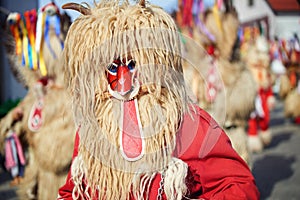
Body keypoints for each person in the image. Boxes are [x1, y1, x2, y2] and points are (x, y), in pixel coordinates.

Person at [57, 0, 260, 199]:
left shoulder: (186, 122)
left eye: (132, 64)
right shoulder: (91, 128)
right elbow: (72, 191)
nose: (123, 80)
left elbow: (241, 188)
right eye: (112, 67)